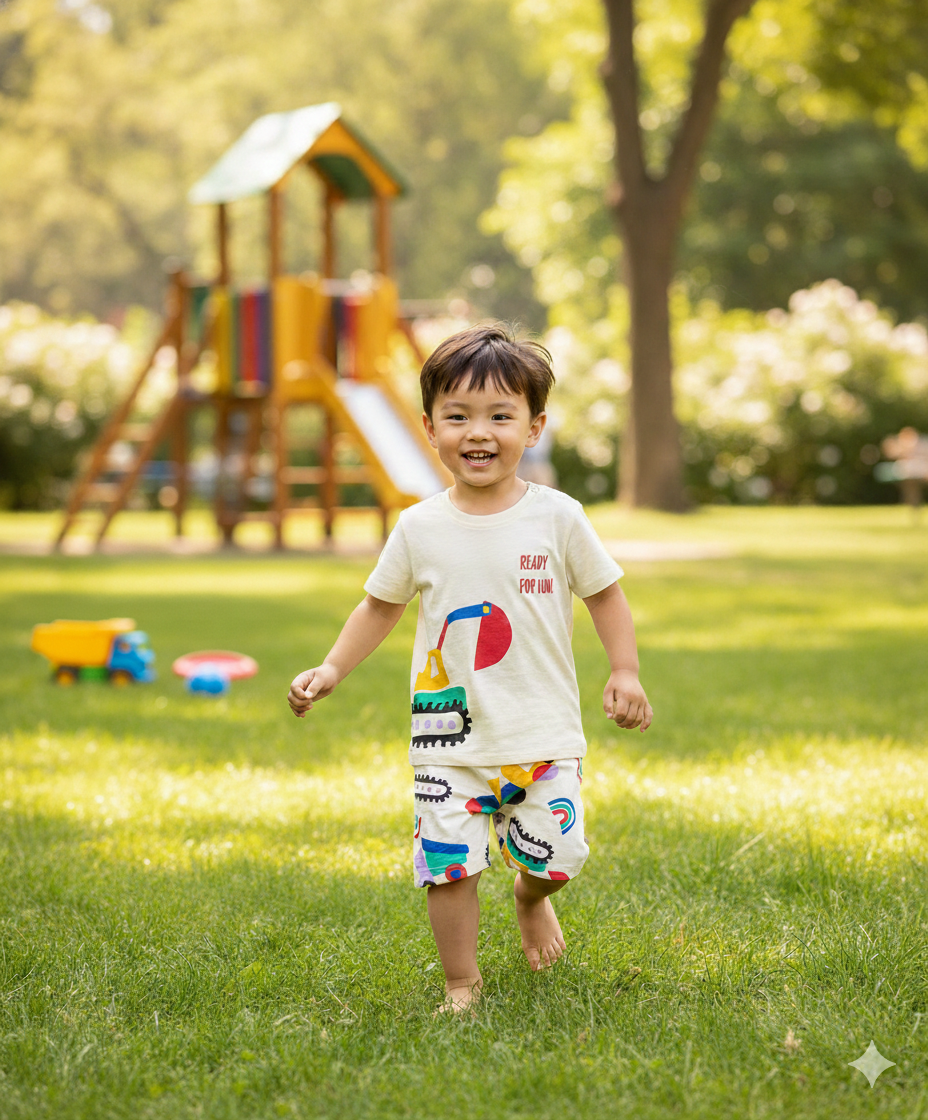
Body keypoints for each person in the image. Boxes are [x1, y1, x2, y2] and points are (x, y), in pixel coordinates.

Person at [287, 323, 652, 1014]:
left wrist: (625, 671)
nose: (477, 432)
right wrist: (332, 668)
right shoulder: (419, 527)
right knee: (448, 869)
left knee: (559, 857)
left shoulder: (558, 519)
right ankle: (462, 983)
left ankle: (530, 896)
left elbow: (604, 593)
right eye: (457, 416)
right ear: (429, 428)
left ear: (534, 427)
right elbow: (378, 607)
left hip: (542, 735)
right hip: (447, 743)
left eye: (499, 416)